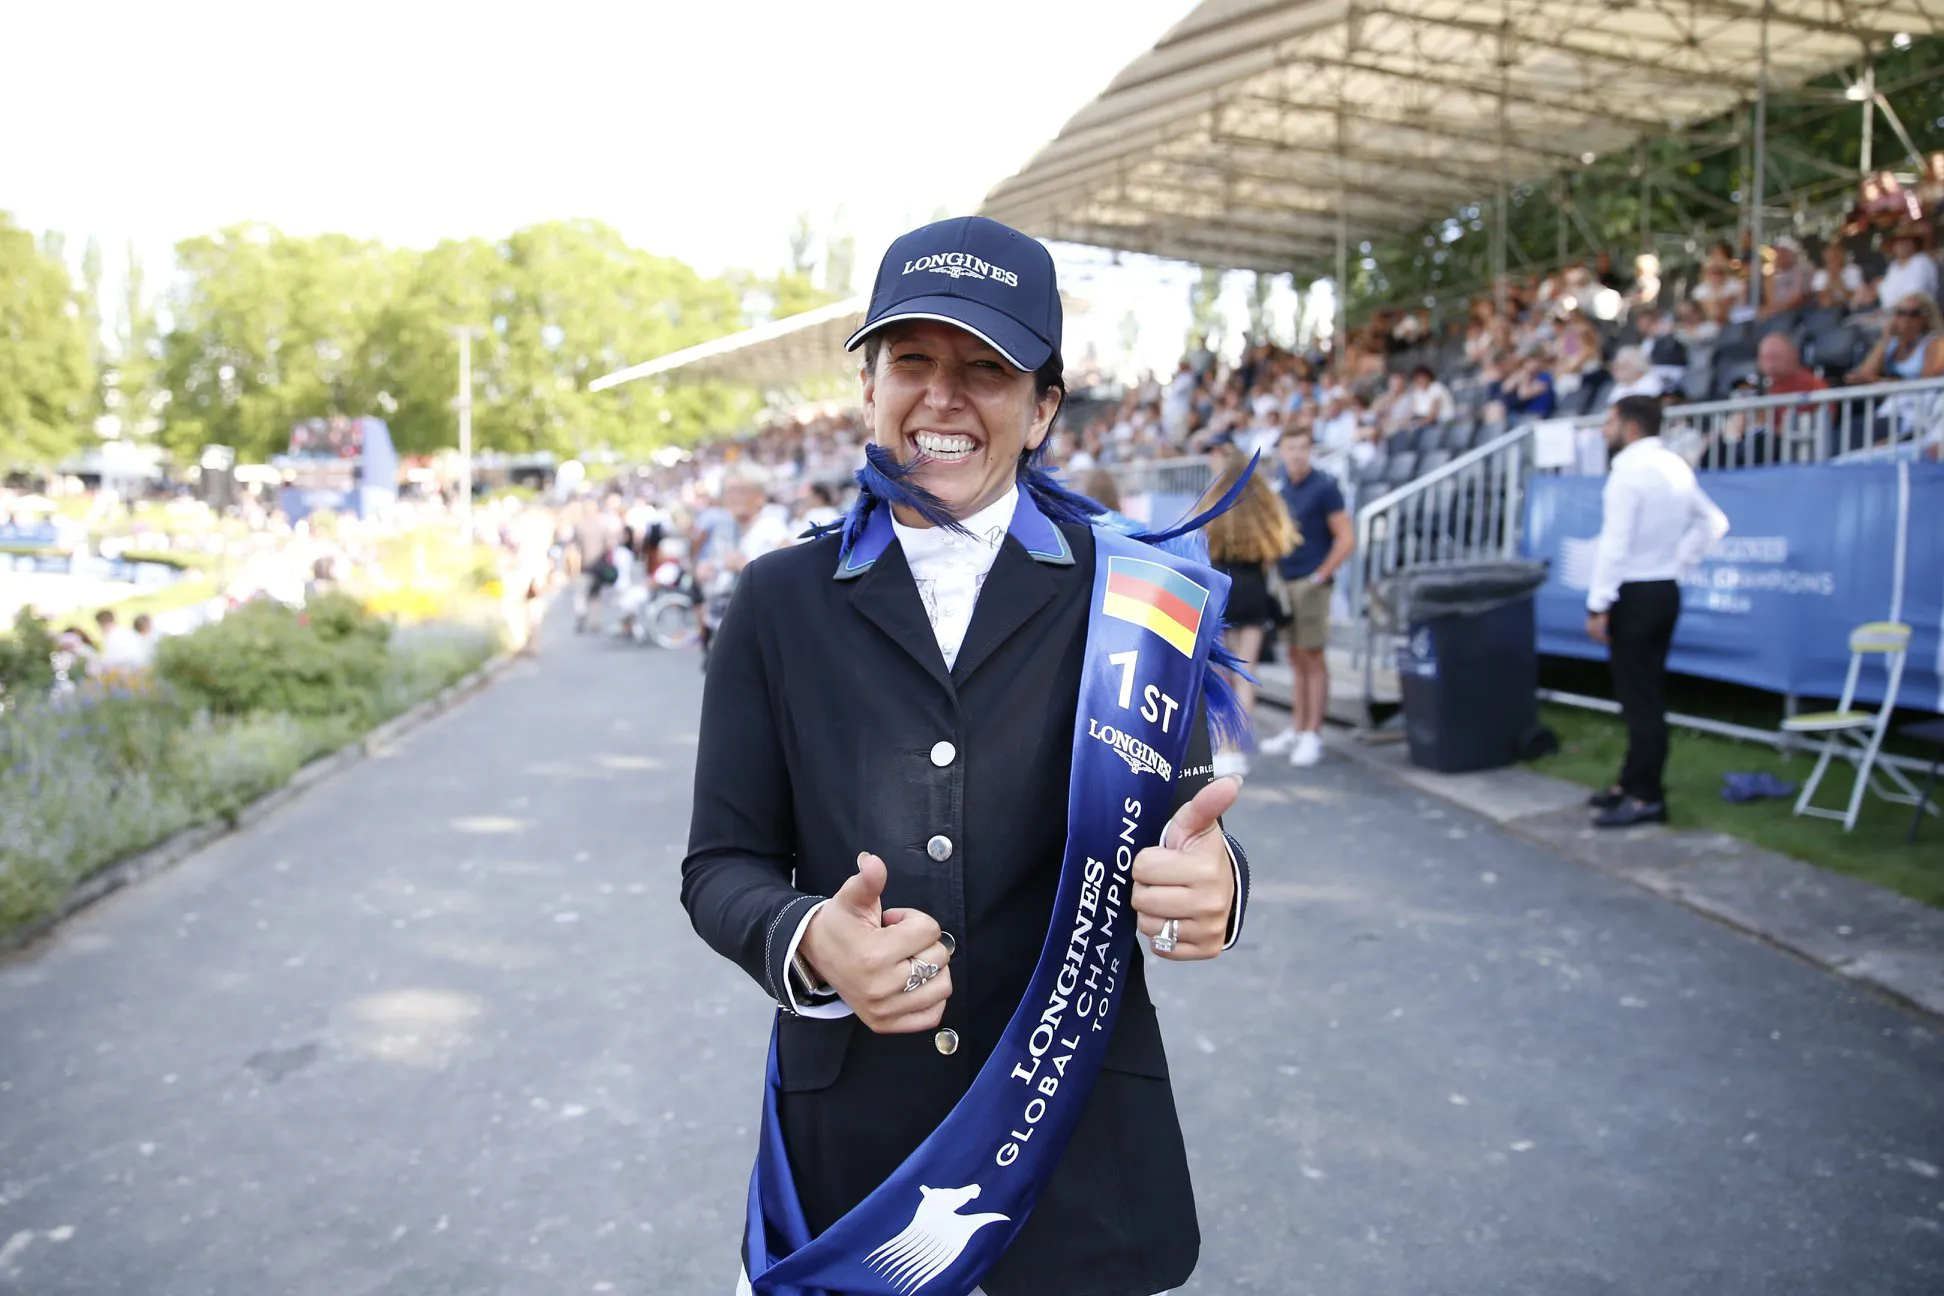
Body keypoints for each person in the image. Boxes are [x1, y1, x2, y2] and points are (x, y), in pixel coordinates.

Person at [685, 216, 1253, 1296]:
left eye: (985, 369)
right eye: (912, 360)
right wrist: (811, 939)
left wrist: (1218, 887)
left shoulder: (1136, 599)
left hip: (1078, 1143)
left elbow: (1192, 835)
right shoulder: (775, 601)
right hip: (858, 1154)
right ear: (868, 385)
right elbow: (719, 868)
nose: (941, 397)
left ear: (1043, 409)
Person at [1584, 397, 1729, 829]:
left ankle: (1646, 796)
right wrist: (1678, 563)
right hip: (1664, 589)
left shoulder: (1628, 473)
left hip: (1635, 593)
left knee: (1640, 699)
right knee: (1643, 694)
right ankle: (1629, 783)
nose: (1604, 429)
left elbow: (1615, 544)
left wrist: (1598, 604)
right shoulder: (1675, 466)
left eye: (1609, 421)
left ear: (1630, 426)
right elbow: (1715, 523)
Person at [1259, 427, 1353, 769]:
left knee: (1313, 658)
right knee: (1296, 659)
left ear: (1310, 450)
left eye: (1302, 447)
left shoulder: (1325, 489)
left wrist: (1320, 576)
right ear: (1282, 452)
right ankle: (1297, 729)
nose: (1296, 454)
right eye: (1290, 447)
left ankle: (1314, 734)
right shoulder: (1283, 489)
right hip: (1286, 584)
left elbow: (1346, 539)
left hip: (1310, 584)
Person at [1202, 461, 1298, 778]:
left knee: (1219, 672)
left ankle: (1223, 747)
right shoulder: (1265, 506)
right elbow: (1276, 549)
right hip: (1254, 593)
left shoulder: (1218, 500)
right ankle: (1236, 749)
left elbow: (1204, 536)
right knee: (1246, 673)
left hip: (1222, 589)